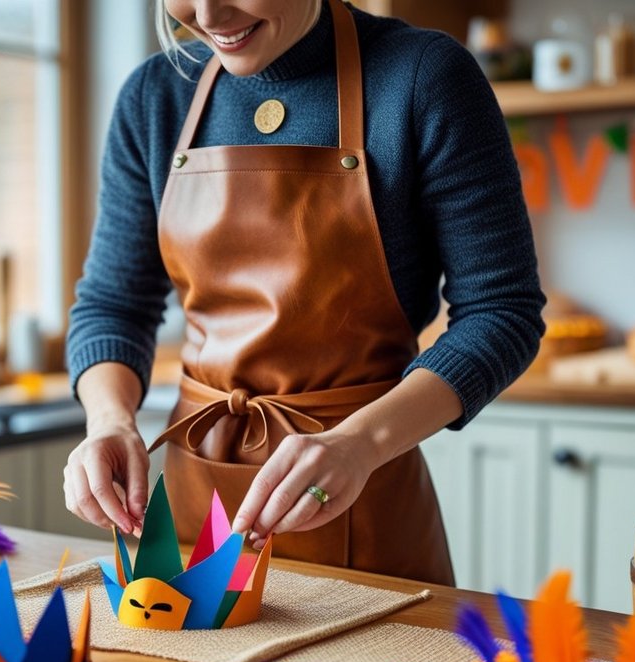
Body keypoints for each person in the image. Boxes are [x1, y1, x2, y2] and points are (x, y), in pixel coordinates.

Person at [63, 0, 545, 585]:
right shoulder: (155, 94)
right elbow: (113, 304)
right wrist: (109, 421)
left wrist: (358, 444)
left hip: (360, 489)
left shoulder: (423, 76)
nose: (209, 14)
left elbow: (501, 311)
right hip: (194, 502)